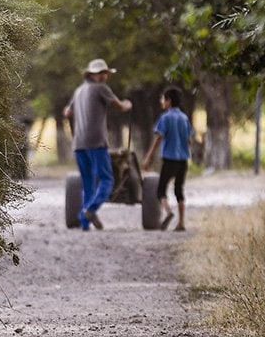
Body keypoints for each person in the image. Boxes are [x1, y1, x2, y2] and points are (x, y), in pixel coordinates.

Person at [63, 58, 133, 231]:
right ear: (94, 75)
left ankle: (85, 224)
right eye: (102, 73)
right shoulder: (101, 88)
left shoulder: (79, 91)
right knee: (107, 180)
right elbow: (118, 106)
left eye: (105, 74)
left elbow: (67, 112)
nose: (104, 76)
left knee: (88, 184)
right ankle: (88, 211)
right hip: (96, 142)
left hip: (79, 143)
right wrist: (128, 104)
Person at [141, 86, 193, 231]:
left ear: (169, 101)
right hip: (183, 160)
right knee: (179, 190)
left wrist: (148, 158)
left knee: (161, 190)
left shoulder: (165, 118)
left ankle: (169, 212)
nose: (161, 102)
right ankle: (181, 223)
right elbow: (189, 141)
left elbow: (158, 138)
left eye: (163, 99)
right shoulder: (184, 117)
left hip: (169, 159)